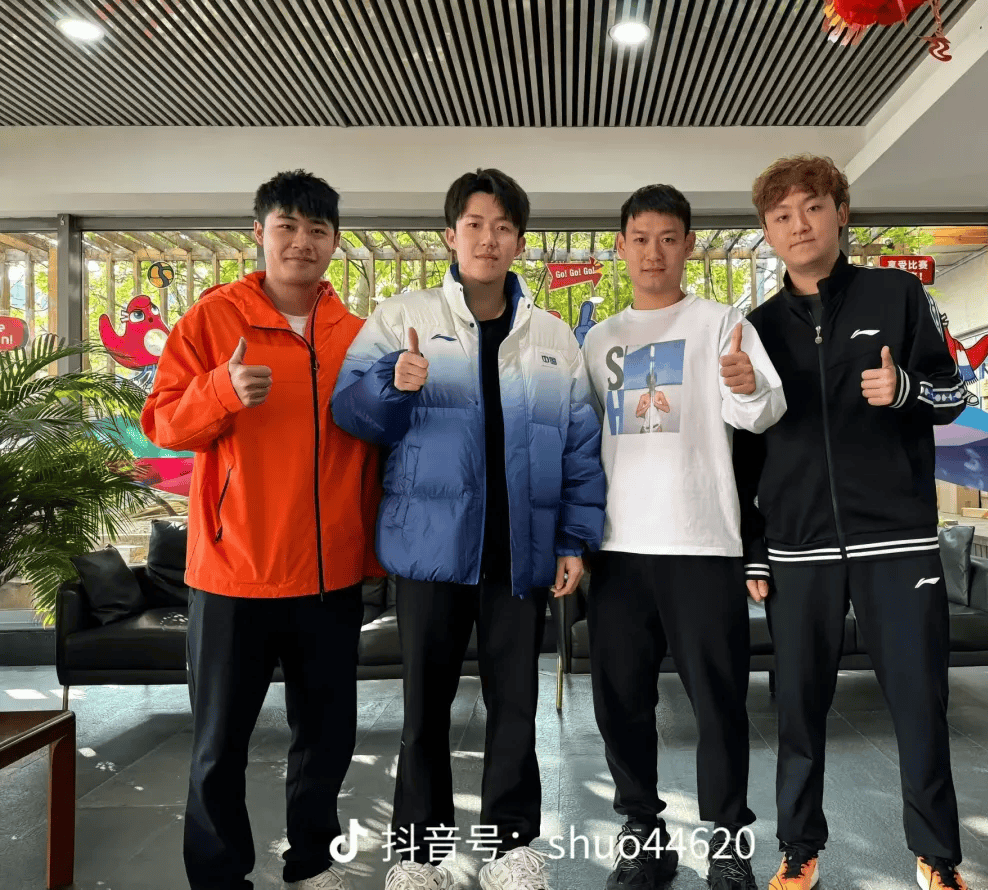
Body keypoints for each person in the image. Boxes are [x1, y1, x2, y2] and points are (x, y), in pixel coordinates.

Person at [331, 168, 606, 890]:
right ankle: (417, 856)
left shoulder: (552, 336)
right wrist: (393, 382)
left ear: (520, 241)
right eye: (475, 225)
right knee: (423, 710)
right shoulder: (403, 316)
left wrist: (572, 540)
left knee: (515, 707)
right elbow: (351, 412)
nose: (489, 239)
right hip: (431, 550)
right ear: (450, 236)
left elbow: (580, 445)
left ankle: (512, 849)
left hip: (521, 552)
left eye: (503, 227)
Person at [734, 155, 975, 890]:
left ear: (840, 212)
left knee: (920, 704)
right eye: (781, 216)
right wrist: (754, 548)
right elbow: (745, 449)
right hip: (797, 548)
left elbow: (953, 394)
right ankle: (799, 849)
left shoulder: (897, 294)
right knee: (797, 710)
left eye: (812, 207)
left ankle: (937, 858)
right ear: (767, 232)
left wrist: (904, 389)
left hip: (898, 542)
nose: (798, 225)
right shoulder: (756, 328)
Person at [141, 170, 383, 890]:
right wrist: (221, 389)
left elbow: (376, 443)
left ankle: (313, 862)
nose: (301, 242)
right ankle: (219, 877)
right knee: (219, 745)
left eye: (317, 230)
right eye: (287, 227)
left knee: (327, 740)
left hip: (329, 575)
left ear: (334, 242)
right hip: (233, 574)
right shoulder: (213, 320)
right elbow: (162, 422)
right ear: (260, 232)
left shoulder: (355, 335)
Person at [581, 184, 787, 890]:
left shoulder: (721, 322)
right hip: (618, 549)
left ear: (689, 246)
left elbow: (759, 412)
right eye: (640, 239)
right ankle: (643, 835)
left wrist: (746, 383)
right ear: (621, 247)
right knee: (620, 705)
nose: (654, 253)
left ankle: (727, 845)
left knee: (719, 704)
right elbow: (588, 443)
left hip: (701, 544)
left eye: (668, 238)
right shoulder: (599, 340)